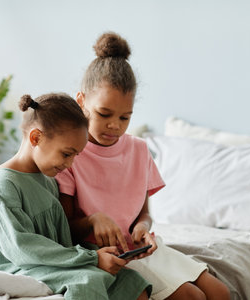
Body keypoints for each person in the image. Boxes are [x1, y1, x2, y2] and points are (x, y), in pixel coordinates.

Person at [56, 32, 231, 300]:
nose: (115, 125)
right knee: (191, 297)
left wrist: (142, 229)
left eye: (125, 117)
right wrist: (93, 220)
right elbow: (64, 228)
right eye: (105, 114)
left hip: (141, 249)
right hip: (107, 257)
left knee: (220, 293)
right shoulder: (71, 154)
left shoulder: (138, 149)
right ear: (81, 101)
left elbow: (144, 214)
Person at [0, 93, 152, 300]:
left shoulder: (48, 180)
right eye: (66, 154)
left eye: (76, 156)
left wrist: (101, 253)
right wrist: (91, 259)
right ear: (36, 138)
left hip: (52, 261)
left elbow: (60, 239)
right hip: (15, 264)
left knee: (130, 280)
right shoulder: (4, 185)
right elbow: (21, 247)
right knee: (88, 280)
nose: (70, 164)